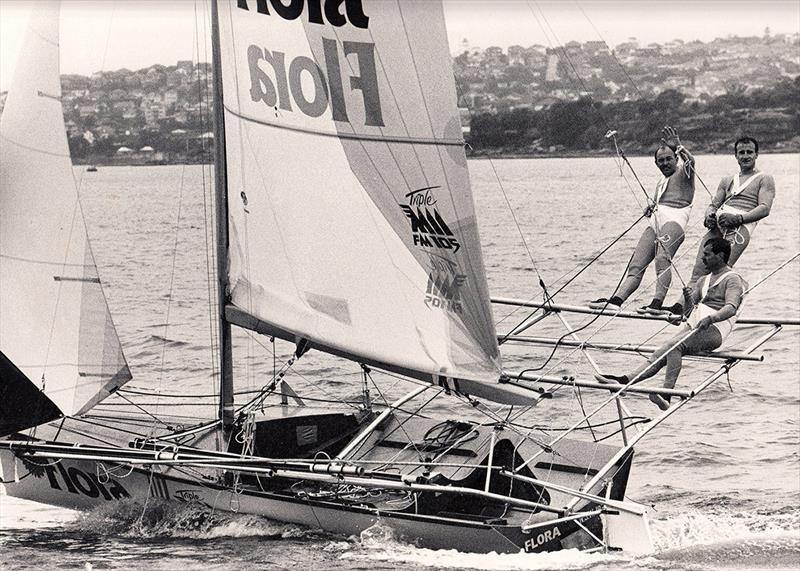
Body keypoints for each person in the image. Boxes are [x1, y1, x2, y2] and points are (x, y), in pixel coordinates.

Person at [595, 237, 747, 411]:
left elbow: (731, 308)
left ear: (720, 256)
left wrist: (711, 319)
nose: (702, 259)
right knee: (662, 350)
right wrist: (689, 300)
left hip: (715, 329)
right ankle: (624, 381)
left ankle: (667, 393)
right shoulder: (703, 281)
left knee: (674, 347)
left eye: (707, 255)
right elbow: (688, 313)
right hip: (696, 325)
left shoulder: (732, 279)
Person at [589, 126, 695, 314]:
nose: (665, 163)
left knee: (662, 259)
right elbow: (661, 201)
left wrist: (678, 145)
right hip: (656, 222)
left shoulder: (683, 173)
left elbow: (691, 162)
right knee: (636, 265)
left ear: (676, 159)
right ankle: (616, 300)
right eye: (660, 161)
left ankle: (657, 303)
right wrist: (651, 206)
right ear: (656, 163)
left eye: (668, 159)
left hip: (674, 222)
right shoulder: (661, 182)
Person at [669, 136, 774, 315]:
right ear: (736, 156)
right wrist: (708, 217)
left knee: (719, 270)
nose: (746, 156)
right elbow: (713, 205)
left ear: (757, 154)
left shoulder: (764, 178)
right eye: (742, 152)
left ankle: (709, 310)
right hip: (718, 224)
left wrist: (739, 219)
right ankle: (681, 307)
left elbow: (764, 208)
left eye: (750, 152)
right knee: (699, 269)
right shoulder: (727, 180)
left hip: (740, 227)